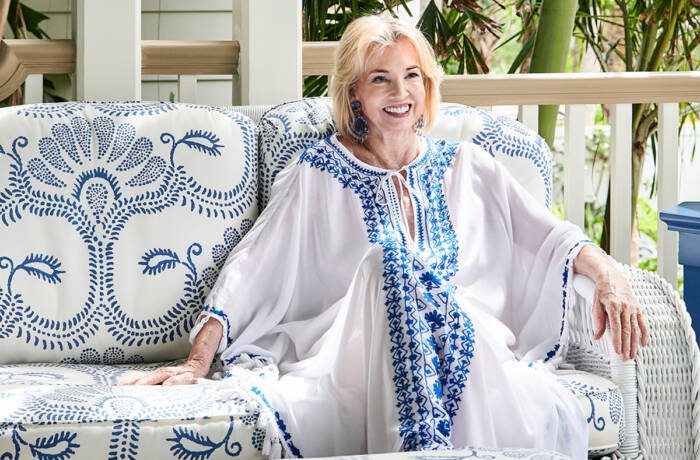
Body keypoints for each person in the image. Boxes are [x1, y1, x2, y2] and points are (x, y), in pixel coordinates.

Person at [120, 15, 649, 459]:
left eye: (412, 76)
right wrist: (196, 360)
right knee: (390, 262)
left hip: (468, 350)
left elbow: (551, 237)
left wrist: (609, 277)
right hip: (351, 358)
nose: (400, 93)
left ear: (428, 87)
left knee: (422, 284)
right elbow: (253, 265)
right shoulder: (319, 172)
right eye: (380, 79)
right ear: (353, 92)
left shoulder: (470, 166)